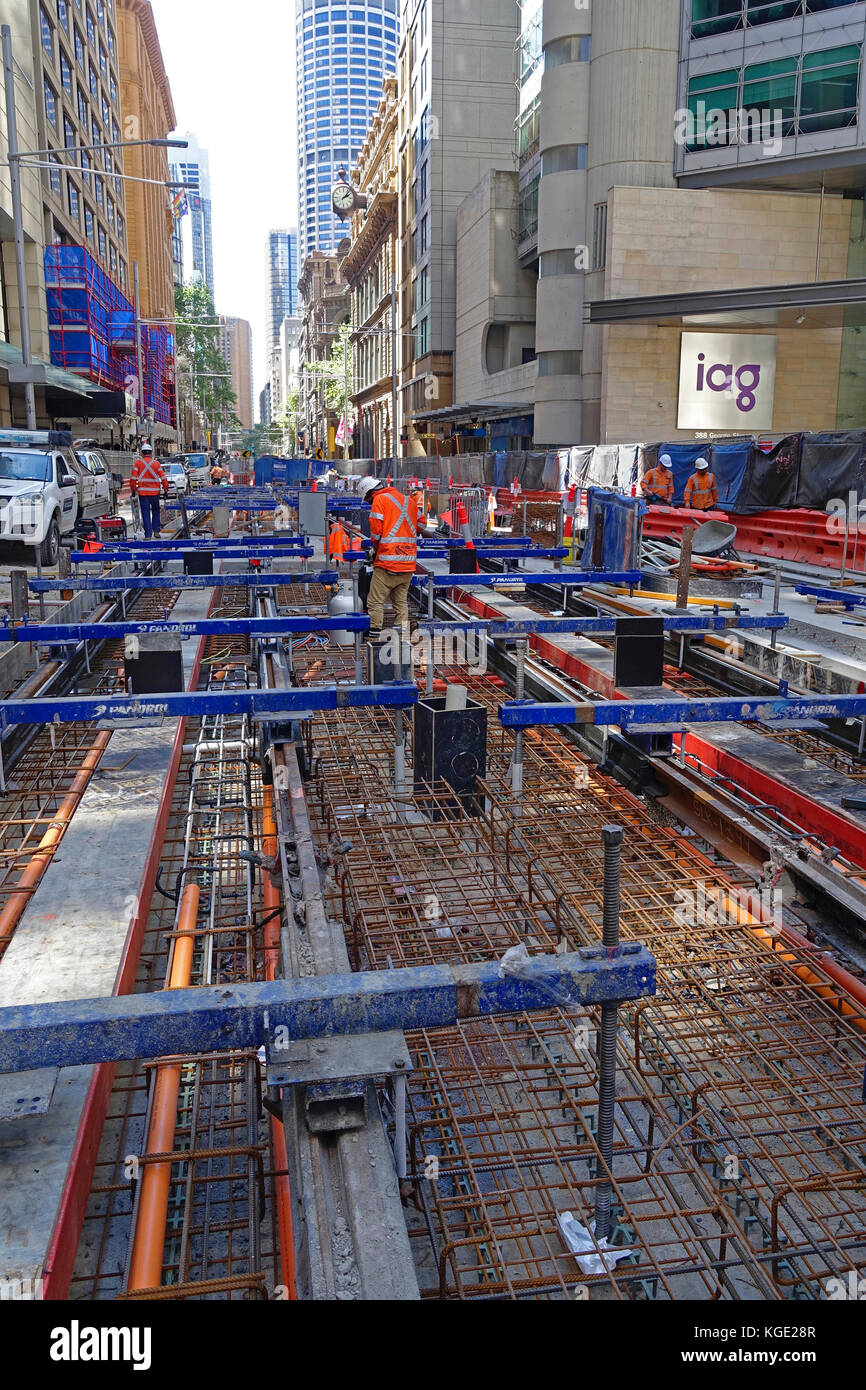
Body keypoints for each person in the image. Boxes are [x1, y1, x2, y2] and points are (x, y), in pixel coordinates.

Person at [359, 475, 421, 637]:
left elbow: (376, 533)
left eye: (368, 501)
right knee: (400, 601)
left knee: (374, 601)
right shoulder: (409, 501)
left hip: (387, 563)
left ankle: (374, 633)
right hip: (408, 563)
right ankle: (402, 633)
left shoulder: (379, 500)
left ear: (371, 494)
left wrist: (374, 548)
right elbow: (421, 524)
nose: (369, 504)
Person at [130, 444, 169, 539]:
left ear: (142, 453)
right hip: (155, 493)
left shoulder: (138, 463)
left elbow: (133, 478)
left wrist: (134, 490)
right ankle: (156, 531)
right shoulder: (156, 464)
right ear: (151, 453)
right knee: (156, 511)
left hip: (143, 493)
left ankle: (148, 535)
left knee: (145, 512)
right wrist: (165, 489)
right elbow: (163, 478)